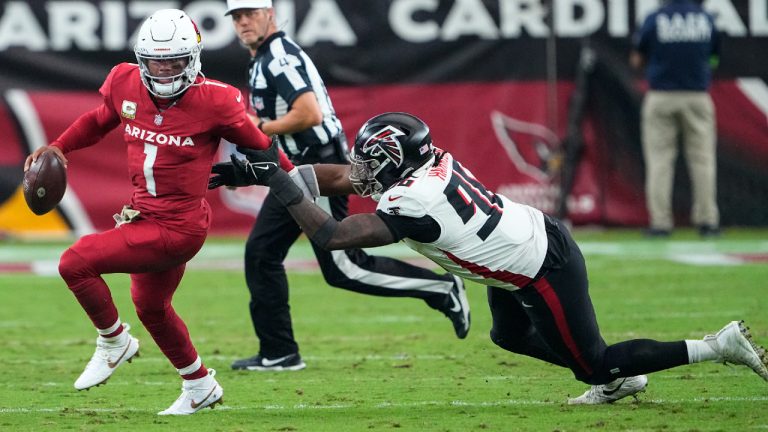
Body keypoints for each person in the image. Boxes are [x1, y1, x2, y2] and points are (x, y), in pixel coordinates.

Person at [211, 111, 768, 404]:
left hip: (538, 267)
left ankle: (715, 346)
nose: (362, 171)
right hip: (521, 247)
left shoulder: (413, 203)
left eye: (372, 161)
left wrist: (278, 182)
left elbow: (331, 234)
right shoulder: (423, 165)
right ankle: (615, 378)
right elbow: (340, 175)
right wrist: (255, 171)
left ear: (396, 162)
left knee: (594, 360)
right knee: (507, 337)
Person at [23, 9, 297, 415]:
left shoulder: (215, 100)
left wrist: (301, 187)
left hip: (179, 227)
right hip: (143, 214)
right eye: (156, 60)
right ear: (141, 58)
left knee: (74, 262)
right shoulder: (124, 81)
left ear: (194, 58)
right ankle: (200, 385)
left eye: (175, 60)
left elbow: (263, 147)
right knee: (152, 308)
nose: (165, 69)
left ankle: (114, 340)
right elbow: (100, 119)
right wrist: (59, 147)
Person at [222, 0, 470, 372]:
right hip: (296, 168)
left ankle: (442, 289)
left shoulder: (278, 56)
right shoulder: (265, 56)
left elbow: (309, 113)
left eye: (250, 14)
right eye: (237, 17)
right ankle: (279, 352)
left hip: (315, 167)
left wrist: (259, 128)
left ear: (269, 13)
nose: (243, 22)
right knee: (261, 255)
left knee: (343, 268)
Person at [630, 0, 721, 237]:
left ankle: (660, 223)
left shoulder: (656, 18)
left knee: (660, 162)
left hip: (661, 96)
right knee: (703, 161)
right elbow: (714, 58)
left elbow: (638, 58)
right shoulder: (705, 19)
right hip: (697, 96)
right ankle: (707, 221)